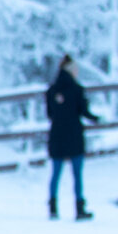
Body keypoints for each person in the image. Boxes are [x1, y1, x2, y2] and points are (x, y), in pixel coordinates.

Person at [46, 55, 100, 221]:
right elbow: (84, 111)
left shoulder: (51, 91)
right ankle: (79, 207)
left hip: (56, 135)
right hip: (74, 135)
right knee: (77, 174)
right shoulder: (77, 90)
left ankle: (53, 206)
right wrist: (96, 118)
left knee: (56, 173)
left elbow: (49, 113)